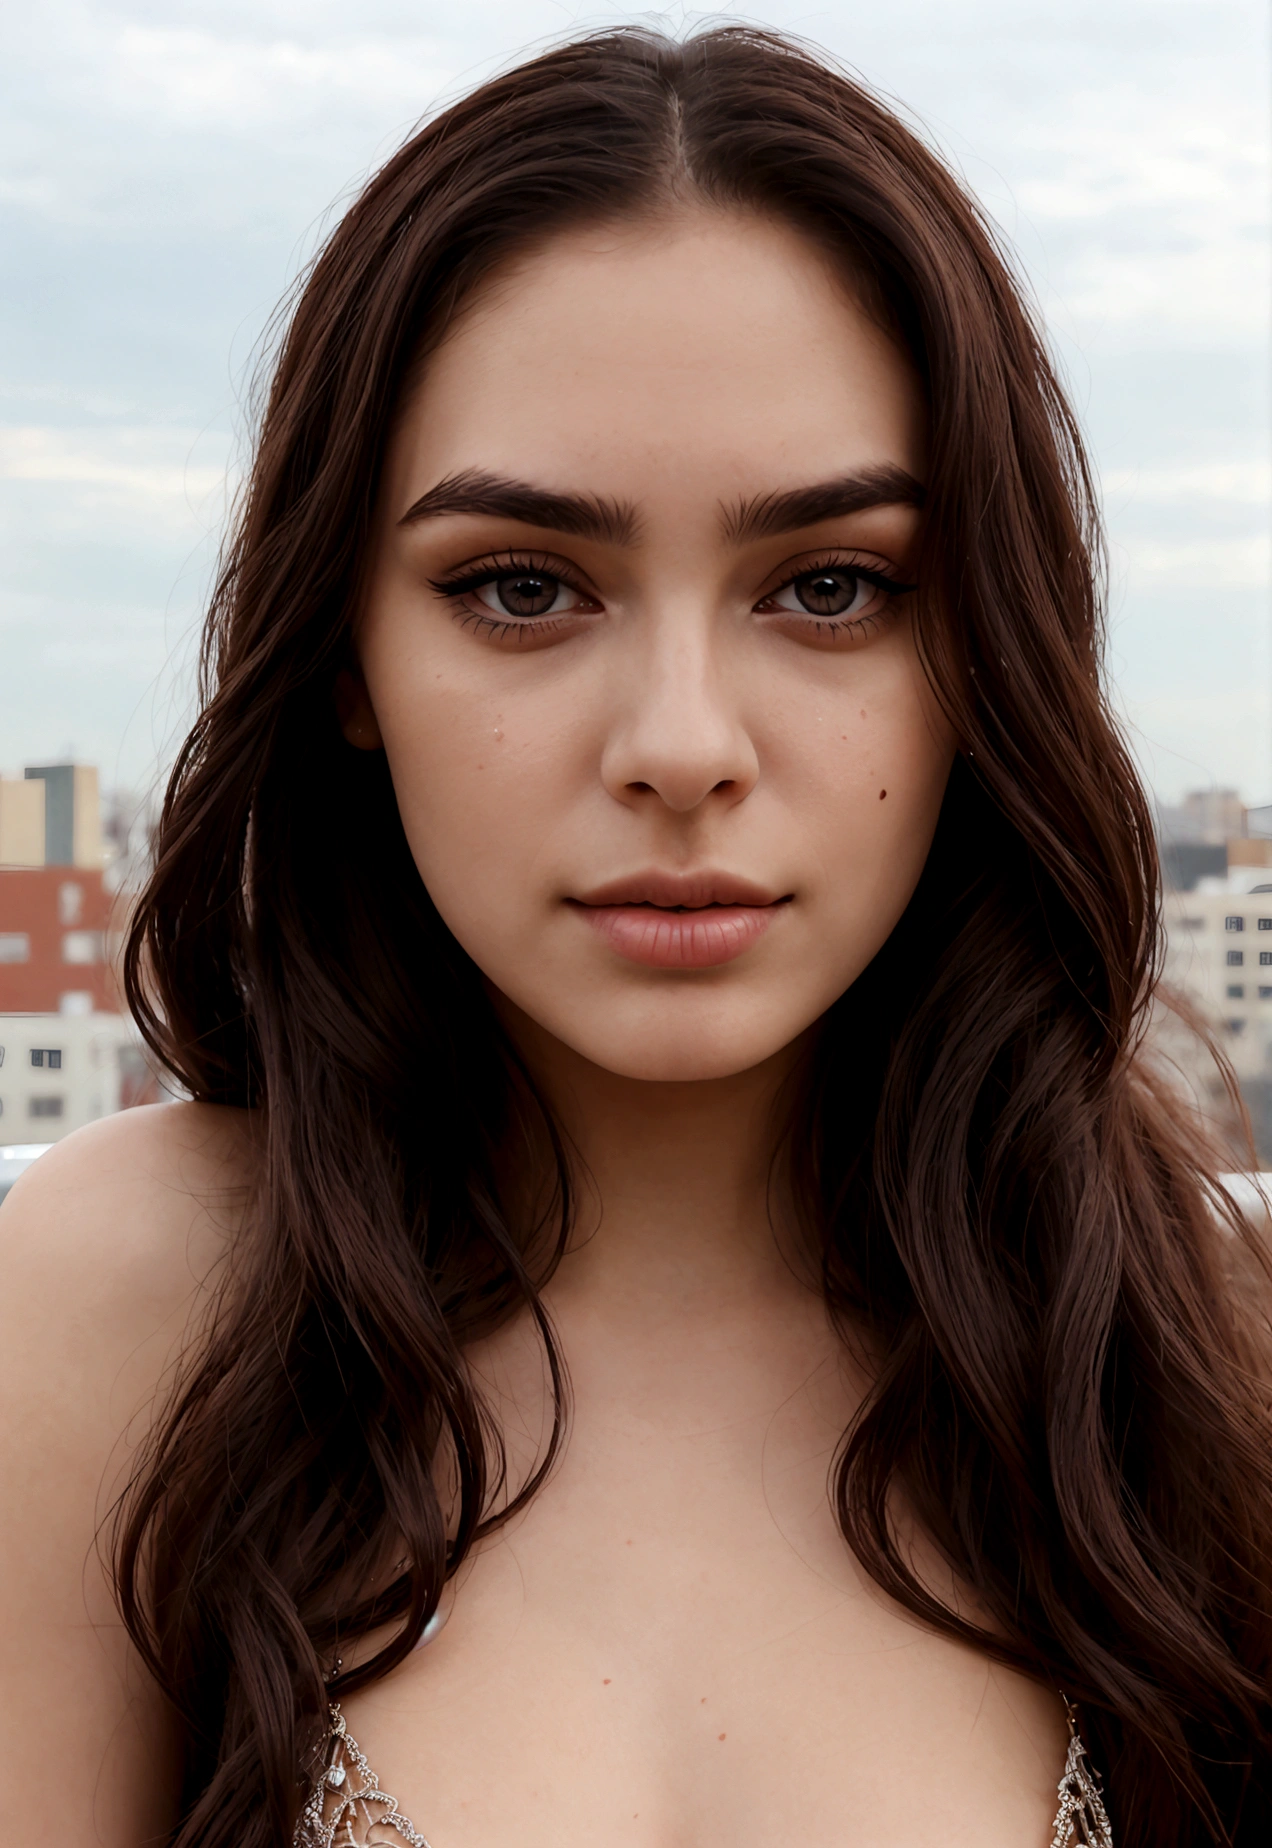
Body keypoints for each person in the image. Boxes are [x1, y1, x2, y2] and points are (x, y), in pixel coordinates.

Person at [2, 24, 1269, 1848]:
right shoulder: (132, 1307)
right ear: (349, 654)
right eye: (521, 587)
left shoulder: (1179, 1352)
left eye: (830, 588)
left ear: (980, 648)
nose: (681, 744)